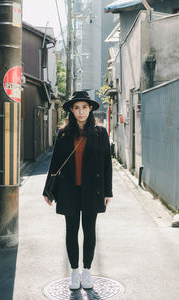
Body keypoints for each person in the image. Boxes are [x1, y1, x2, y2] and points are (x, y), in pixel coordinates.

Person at [43, 91, 113, 290]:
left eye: (84, 107)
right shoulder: (64, 133)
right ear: (71, 111)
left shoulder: (100, 133)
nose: (80, 112)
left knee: (89, 231)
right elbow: (55, 163)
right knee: (71, 231)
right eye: (76, 108)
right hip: (68, 191)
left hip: (93, 190)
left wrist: (108, 191)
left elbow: (107, 164)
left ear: (90, 108)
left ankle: (87, 271)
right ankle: (74, 272)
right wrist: (48, 191)